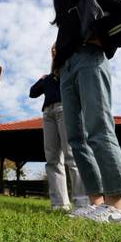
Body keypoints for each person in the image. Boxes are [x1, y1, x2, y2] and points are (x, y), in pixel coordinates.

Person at [51, 0, 121, 222]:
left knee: (98, 127)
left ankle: (116, 207)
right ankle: (96, 204)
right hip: (66, 69)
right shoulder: (63, 3)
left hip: (90, 59)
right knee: (76, 137)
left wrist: (104, 37)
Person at [29, 44, 88, 211]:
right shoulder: (47, 78)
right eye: (52, 50)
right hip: (48, 114)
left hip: (64, 109)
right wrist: (41, 79)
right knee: (52, 158)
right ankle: (59, 203)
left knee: (71, 154)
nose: (54, 51)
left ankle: (82, 201)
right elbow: (32, 92)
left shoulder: (68, 70)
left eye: (57, 48)